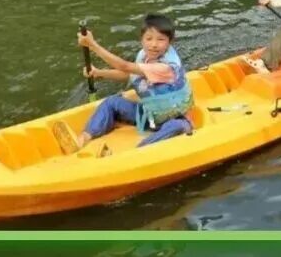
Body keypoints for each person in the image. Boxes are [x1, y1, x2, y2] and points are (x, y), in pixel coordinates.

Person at [53, 14, 194, 155]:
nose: (154, 44)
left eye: (161, 39)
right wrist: (99, 73)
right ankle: (82, 140)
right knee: (112, 102)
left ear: (170, 42)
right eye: (149, 39)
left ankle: (136, 153)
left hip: (176, 118)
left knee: (176, 126)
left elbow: (124, 66)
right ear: (142, 39)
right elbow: (128, 74)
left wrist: (92, 45)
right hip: (150, 115)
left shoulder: (166, 67)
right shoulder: (144, 55)